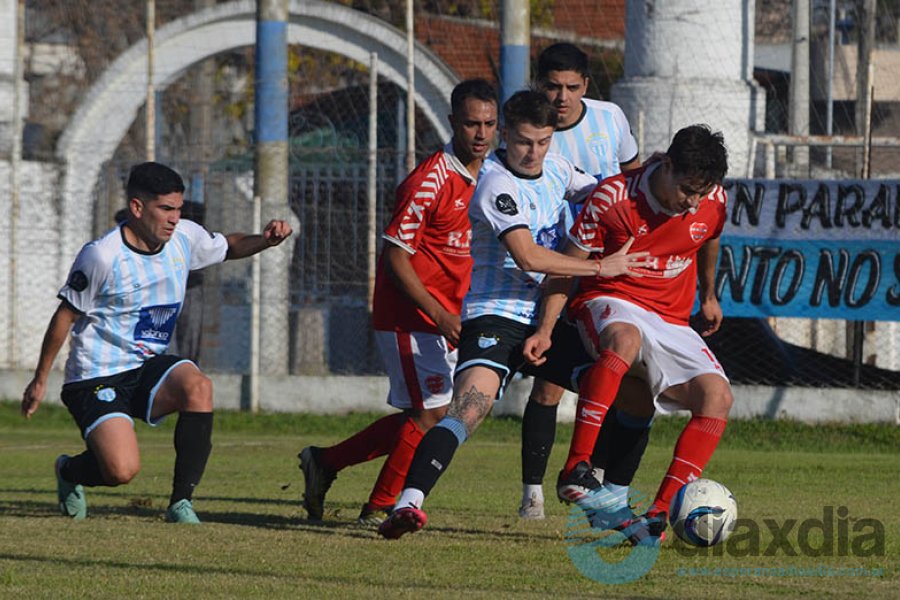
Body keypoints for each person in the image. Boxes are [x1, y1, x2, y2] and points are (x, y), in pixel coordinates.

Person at [377, 90, 649, 540]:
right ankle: (409, 504)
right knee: (468, 409)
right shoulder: (494, 183)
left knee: (636, 396)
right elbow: (527, 256)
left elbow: (609, 194)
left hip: (550, 318)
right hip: (496, 315)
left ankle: (613, 504)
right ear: (507, 135)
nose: (533, 152)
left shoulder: (559, 168)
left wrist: (651, 177)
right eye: (524, 141)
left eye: (542, 142)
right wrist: (600, 266)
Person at [21, 161, 293, 524]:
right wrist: (40, 380)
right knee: (121, 471)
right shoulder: (102, 256)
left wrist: (266, 240)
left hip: (145, 365)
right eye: (165, 209)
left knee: (198, 386)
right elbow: (65, 317)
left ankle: (181, 503)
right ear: (137, 208)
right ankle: (69, 471)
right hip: (96, 375)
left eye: (178, 209)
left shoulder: (184, 237)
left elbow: (228, 246)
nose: (174, 218)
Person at [297, 79, 499, 525]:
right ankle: (380, 506)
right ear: (452, 123)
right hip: (412, 315)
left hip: (450, 314)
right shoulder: (429, 181)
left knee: (430, 413)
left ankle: (325, 462)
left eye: (489, 124)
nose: (481, 134)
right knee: (433, 412)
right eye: (471, 124)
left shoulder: (492, 174)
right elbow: (395, 258)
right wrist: (440, 312)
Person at [527, 124, 731, 542]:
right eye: (688, 190)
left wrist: (709, 293)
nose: (693, 203)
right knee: (626, 341)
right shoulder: (614, 197)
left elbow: (710, 234)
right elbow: (565, 266)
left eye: (702, 193)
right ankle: (577, 467)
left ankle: (658, 516)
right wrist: (546, 329)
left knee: (718, 397)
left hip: (672, 318)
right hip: (611, 299)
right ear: (667, 166)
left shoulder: (712, 198)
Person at [519, 42, 650, 520]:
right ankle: (532, 492)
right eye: (552, 86)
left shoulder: (610, 118)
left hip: (609, 266)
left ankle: (589, 479)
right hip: (559, 262)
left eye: (572, 87)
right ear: (539, 85)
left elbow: (635, 179)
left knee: (620, 374)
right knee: (549, 386)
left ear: (586, 87)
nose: (562, 97)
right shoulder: (531, 132)